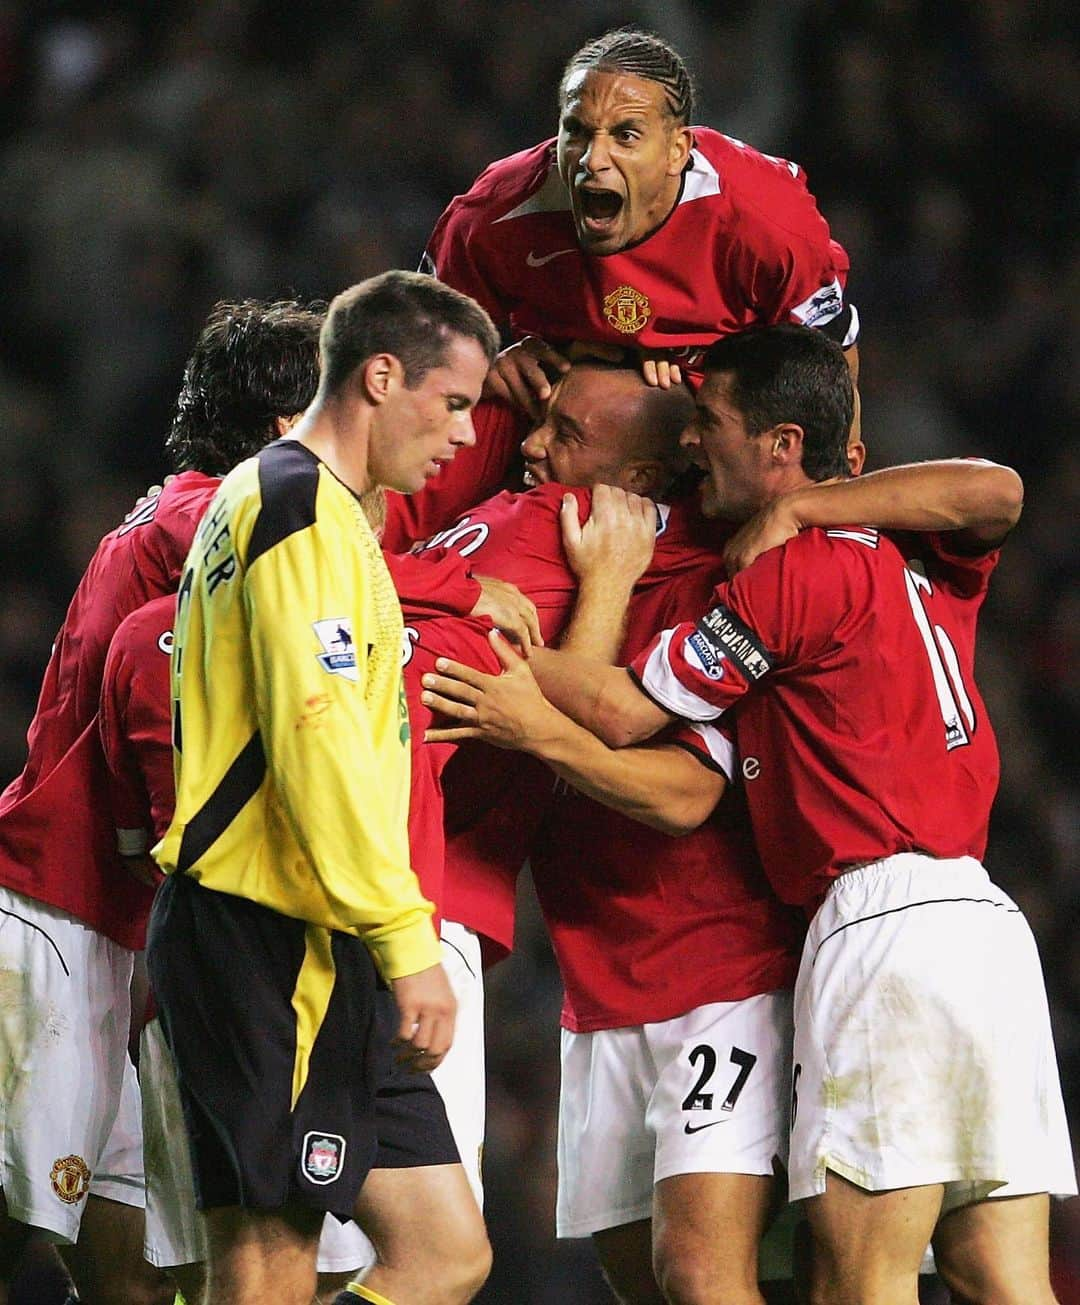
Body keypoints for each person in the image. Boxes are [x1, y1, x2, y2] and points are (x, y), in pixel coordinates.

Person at [422, 325, 1076, 1304]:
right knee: (1003, 1274)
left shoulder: (782, 576)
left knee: (856, 1285)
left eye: (712, 424)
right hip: (982, 923)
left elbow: (625, 711)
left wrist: (477, 632)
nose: (694, 444)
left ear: (778, 446)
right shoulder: (911, 544)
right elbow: (999, 492)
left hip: (876, 923)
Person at [148, 270, 502, 1305]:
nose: (464, 437)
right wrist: (406, 942)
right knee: (268, 1270)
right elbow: (320, 747)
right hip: (267, 933)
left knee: (445, 1253)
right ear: (381, 376)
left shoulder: (322, 512)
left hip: (305, 934)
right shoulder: (294, 505)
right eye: (453, 405)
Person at [0, 294, 334, 1305]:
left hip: (116, 926)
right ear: (288, 431)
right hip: (62, 914)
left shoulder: (177, 508)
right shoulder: (217, 518)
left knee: (127, 1256)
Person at [423, 26, 858, 417]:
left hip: (721, 411)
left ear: (677, 150)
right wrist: (491, 361)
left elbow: (833, 364)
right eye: (576, 131)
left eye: (625, 136)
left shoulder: (763, 218)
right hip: (555, 405)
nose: (592, 160)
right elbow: (422, 345)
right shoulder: (496, 211)